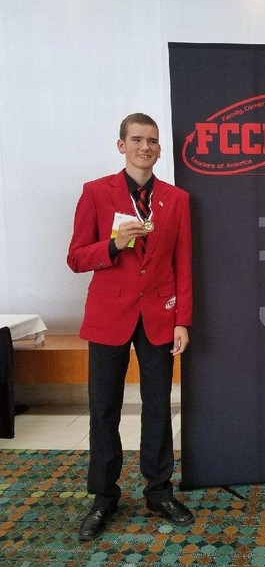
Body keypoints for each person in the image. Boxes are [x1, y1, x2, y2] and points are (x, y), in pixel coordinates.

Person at [68, 113, 193, 540]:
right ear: (121, 145)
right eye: (137, 139)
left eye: (152, 141)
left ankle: (159, 492)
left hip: (159, 316)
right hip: (108, 316)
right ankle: (104, 496)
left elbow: (183, 264)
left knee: (158, 406)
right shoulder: (95, 192)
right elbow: (76, 257)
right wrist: (113, 244)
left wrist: (182, 320)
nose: (145, 147)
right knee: (104, 408)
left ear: (159, 149)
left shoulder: (176, 199)